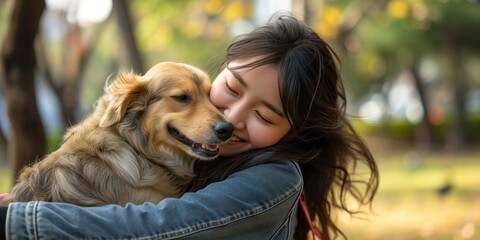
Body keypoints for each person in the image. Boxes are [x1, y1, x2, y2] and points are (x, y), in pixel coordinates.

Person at [0, 13, 378, 240]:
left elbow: (154, 228)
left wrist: (14, 221)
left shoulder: (274, 179)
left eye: (264, 117)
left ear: (292, 133)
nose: (230, 119)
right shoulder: (192, 154)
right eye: (230, 88)